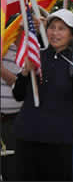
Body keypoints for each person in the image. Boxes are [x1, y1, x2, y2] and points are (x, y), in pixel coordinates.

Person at [12, 9, 73, 181]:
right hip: (28, 137)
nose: (55, 33)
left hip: (59, 141)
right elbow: (18, 95)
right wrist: (25, 73)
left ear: (72, 34)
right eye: (52, 27)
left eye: (61, 29)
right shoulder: (35, 57)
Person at [1, 26, 23, 181]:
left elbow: (22, 86)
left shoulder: (29, 54)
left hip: (13, 121)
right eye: (19, 28)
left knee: (12, 168)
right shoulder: (2, 49)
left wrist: (1, 70)